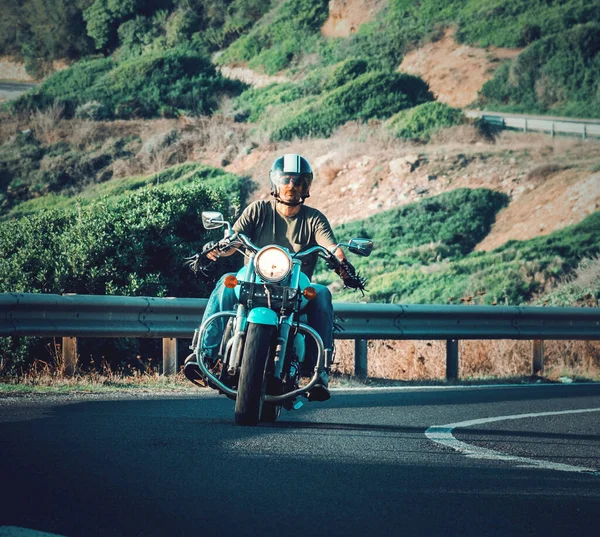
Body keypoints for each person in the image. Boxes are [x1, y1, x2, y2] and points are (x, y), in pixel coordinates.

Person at [185, 153, 364, 402]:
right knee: (227, 282)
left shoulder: (314, 218)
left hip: (295, 285)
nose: (291, 186)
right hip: (252, 279)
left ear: (306, 186)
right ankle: (203, 354)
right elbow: (234, 238)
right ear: (275, 182)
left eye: (298, 181)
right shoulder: (258, 210)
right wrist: (218, 248)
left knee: (322, 293)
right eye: (286, 179)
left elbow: (331, 246)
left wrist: (342, 263)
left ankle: (319, 371)